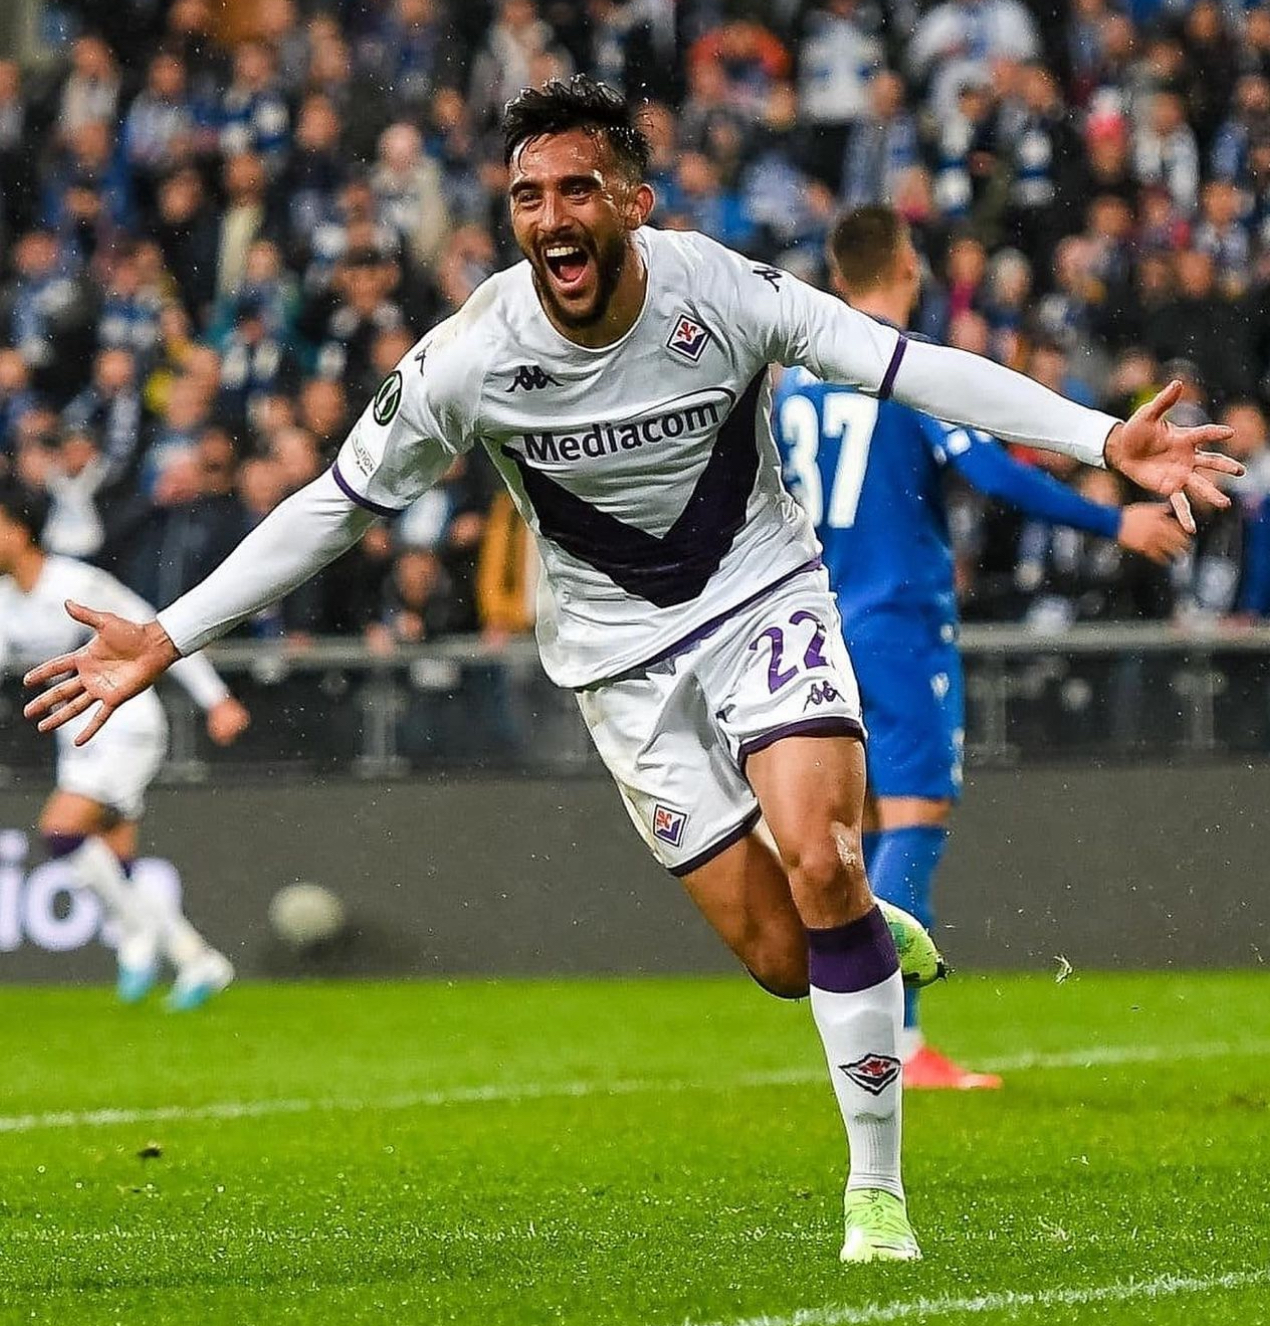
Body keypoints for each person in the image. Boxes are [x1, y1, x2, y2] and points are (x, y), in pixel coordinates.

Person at [23, 77, 1238, 1262]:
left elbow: (903, 363)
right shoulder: (470, 356)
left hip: (762, 596)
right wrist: (169, 633)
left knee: (823, 855)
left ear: (632, 203)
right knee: (785, 958)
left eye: (577, 189)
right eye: (528, 196)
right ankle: (864, 928)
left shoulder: (723, 291)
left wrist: (1099, 436)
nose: (552, 216)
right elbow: (335, 505)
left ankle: (876, 1196)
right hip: (617, 667)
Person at [772, 205, 1191, 1090]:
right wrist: (1113, 520)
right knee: (915, 818)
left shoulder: (798, 386)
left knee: (861, 829)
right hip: (897, 622)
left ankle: (857, 1029)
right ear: (907, 265)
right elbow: (990, 469)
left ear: (838, 277)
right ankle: (896, 1042)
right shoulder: (904, 365)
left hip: (816, 623)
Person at [0, 483, 249, 1008]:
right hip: (76, 736)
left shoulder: (77, 584)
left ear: (19, 531)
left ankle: (140, 939)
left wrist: (217, 699)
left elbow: (156, 634)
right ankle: (194, 959)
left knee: (61, 832)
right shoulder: (4, 601)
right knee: (116, 863)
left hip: (126, 725)